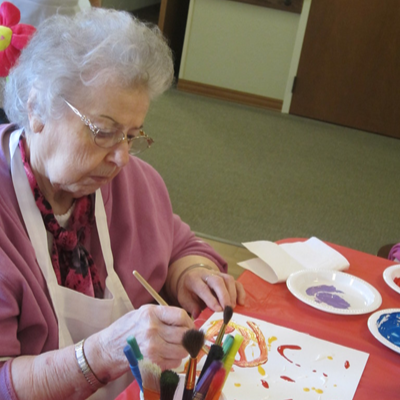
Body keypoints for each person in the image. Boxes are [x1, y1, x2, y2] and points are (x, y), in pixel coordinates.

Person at [0, 8, 245, 400]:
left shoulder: (135, 183)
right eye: (103, 132)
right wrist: (102, 353)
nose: (122, 158)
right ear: (37, 108)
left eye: (132, 135)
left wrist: (192, 274)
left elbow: (181, 244)